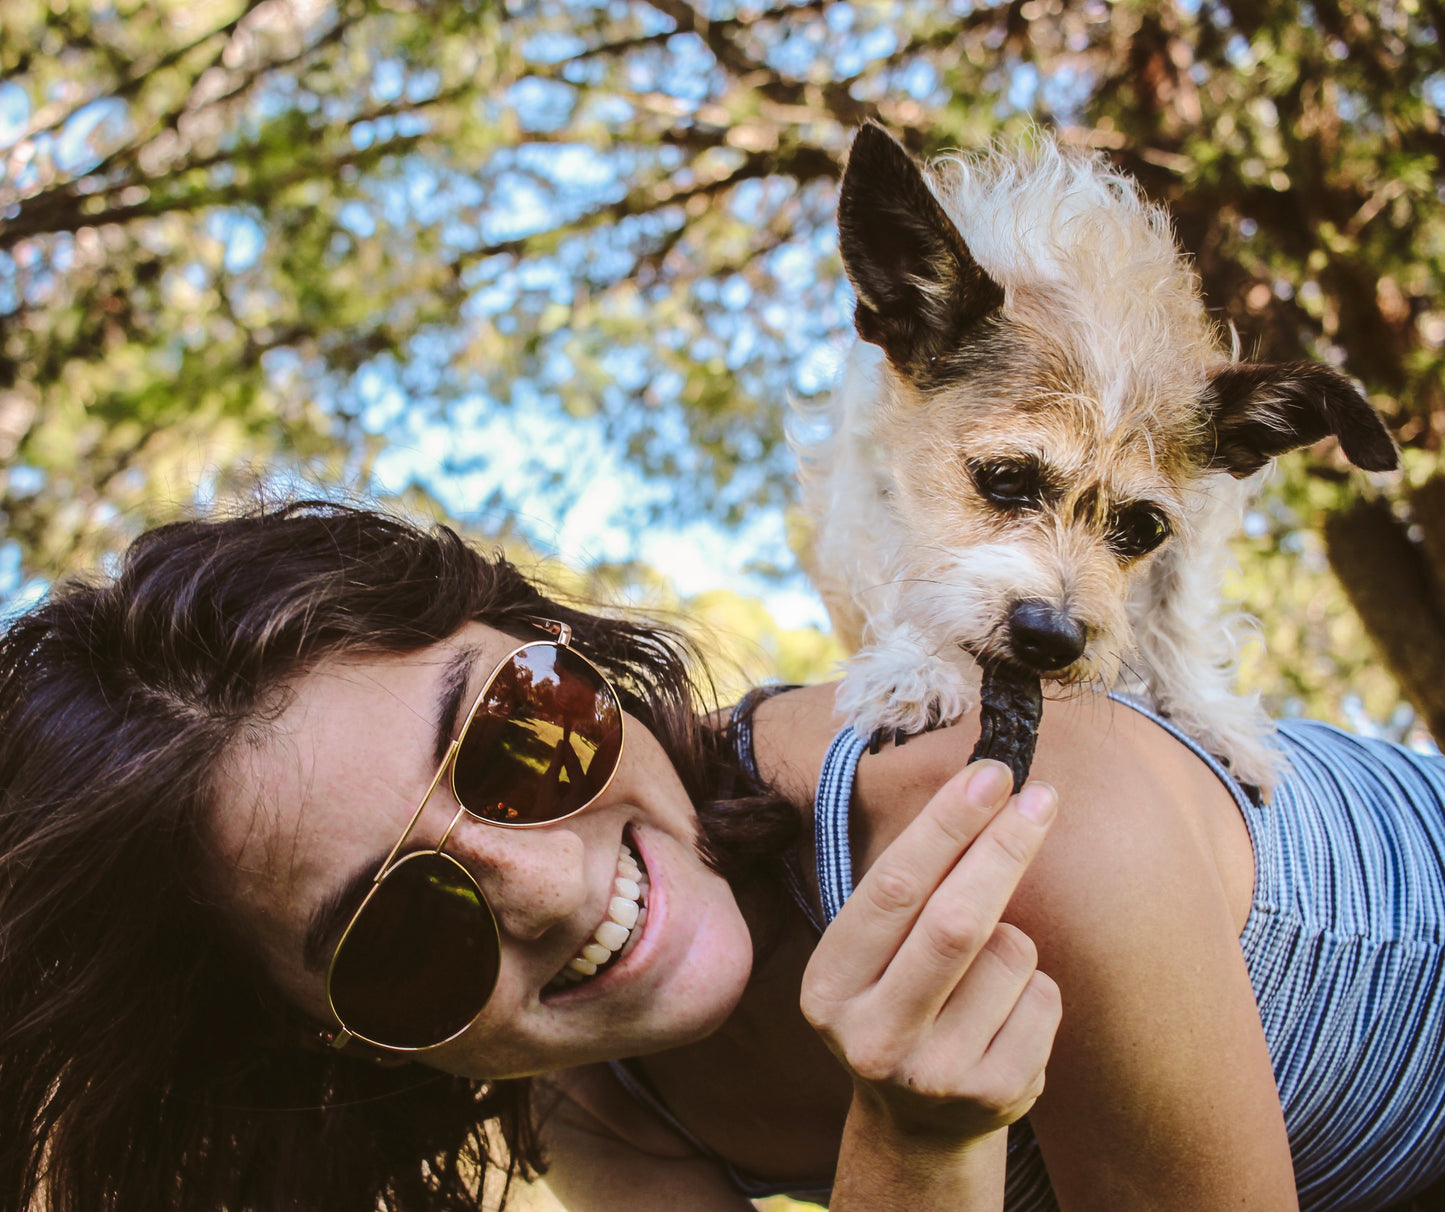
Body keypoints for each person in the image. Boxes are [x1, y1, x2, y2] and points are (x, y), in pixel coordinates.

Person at [1, 500, 1442, 1212]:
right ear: (336, 1043)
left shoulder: (1002, 822)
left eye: (520, 737)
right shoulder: (597, 1099)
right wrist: (915, 1162)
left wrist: (915, 1164)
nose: (554, 893)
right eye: (400, 937)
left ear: (563, 652)